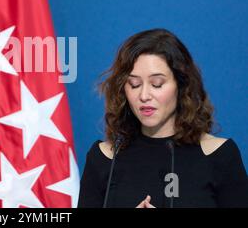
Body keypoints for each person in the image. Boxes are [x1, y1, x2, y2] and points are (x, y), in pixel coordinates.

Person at [78, 28, 248, 208]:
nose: (144, 95)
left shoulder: (220, 155)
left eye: (157, 84)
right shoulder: (103, 157)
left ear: (181, 86)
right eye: (134, 84)